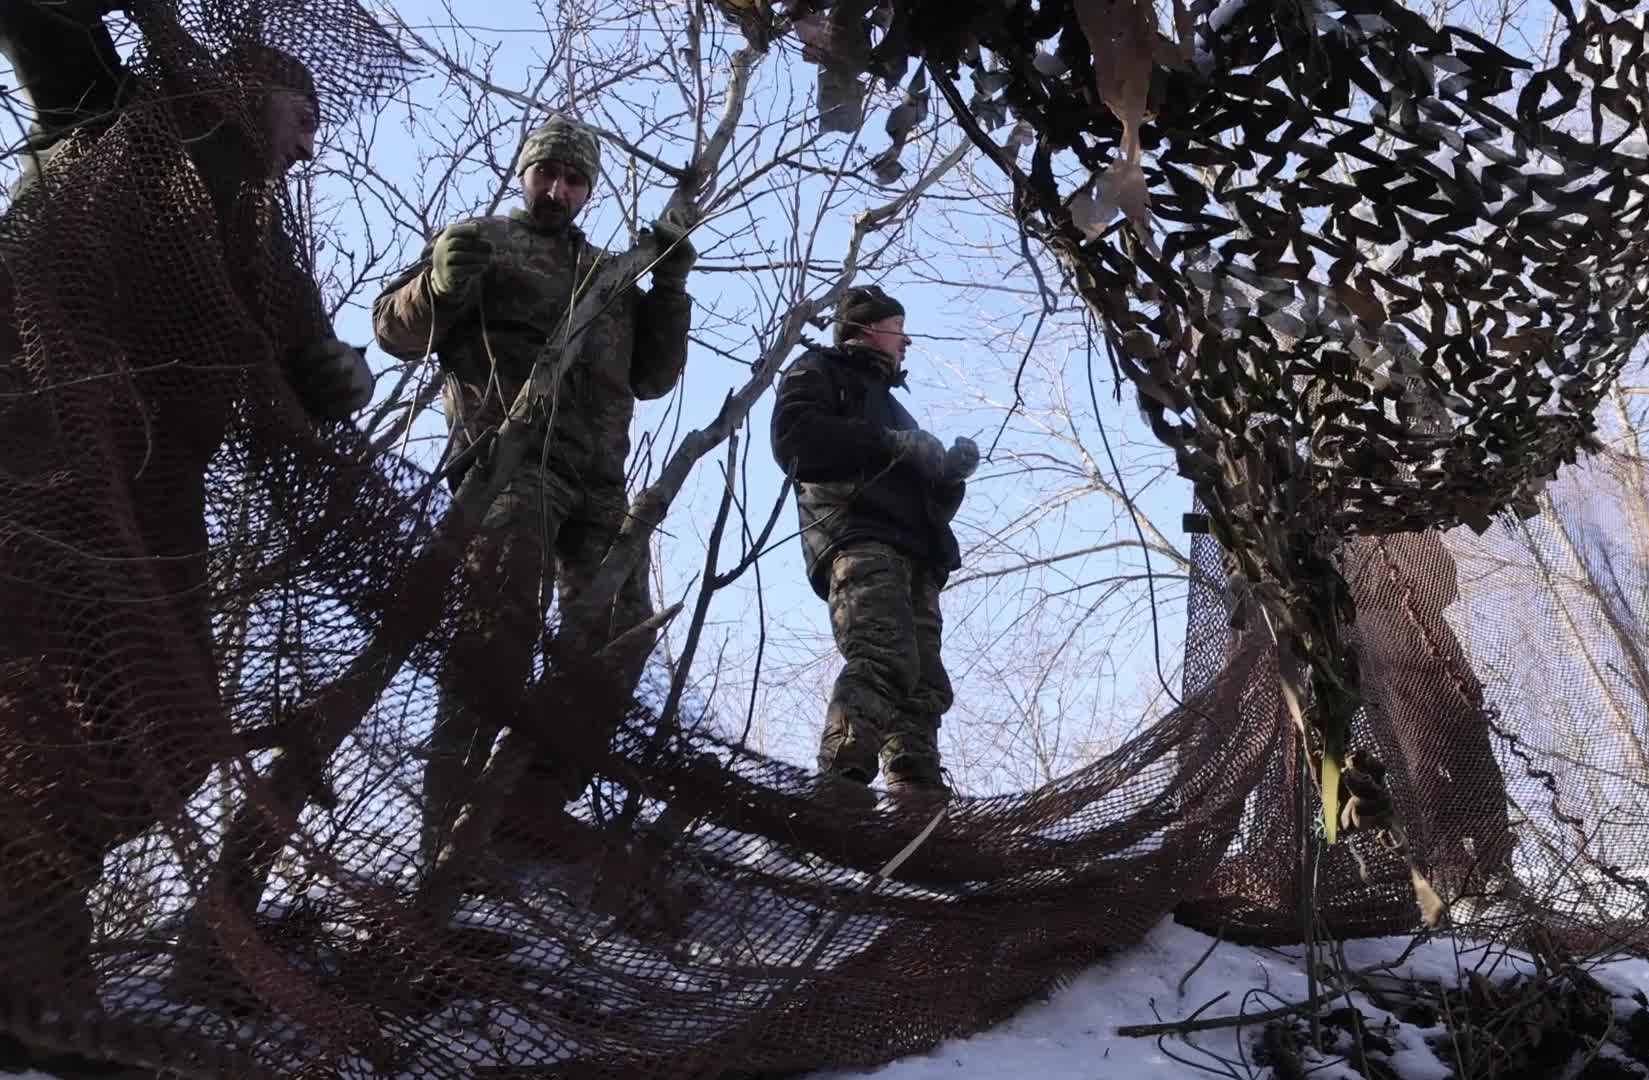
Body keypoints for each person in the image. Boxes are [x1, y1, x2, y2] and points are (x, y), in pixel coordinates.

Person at [0, 1, 372, 1013]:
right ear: (253, 89)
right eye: (306, 115)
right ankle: (36, 988)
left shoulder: (258, 230)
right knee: (44, 724)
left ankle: (43, 967)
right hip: (40, 476)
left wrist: (333, 377)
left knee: (158, 735)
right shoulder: (127, 117)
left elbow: (305, 359)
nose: (312, 143)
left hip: (150, 509)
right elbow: (46, 27)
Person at [371, 116, 697, 864]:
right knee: (498, 629)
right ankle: (449, 835)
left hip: (601, 487)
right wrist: (439, 282)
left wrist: (669, 283)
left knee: (622, 635)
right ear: (524, 172)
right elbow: (394, 331)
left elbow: (652, 376)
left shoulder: (608, 275)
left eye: (575, 178)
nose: (558, 188)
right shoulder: (484, 239)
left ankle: (527, 808)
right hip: (511, 466)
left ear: (588, 190)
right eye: (547, 171)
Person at [769, 285, 977, 807]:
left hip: (917, 556)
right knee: (884, 657)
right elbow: (795, 440)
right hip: (859, 538)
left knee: (925, 681)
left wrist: (950, 478)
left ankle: (916, 795)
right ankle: (838, 787)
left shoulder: (895, 409)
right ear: (866, 329)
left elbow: (929, 504)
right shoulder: (817, 372)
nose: (906, 341)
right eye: (897, 327)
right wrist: (888, 445)